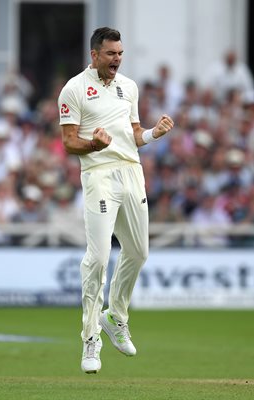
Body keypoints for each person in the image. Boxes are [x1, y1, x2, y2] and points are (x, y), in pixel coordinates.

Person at [58, 27, 174, 374]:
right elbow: (68, 141)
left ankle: (115, 317)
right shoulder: (74, 89)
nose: (117, 59)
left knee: (139, 251)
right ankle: (90, 338)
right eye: (111, 54)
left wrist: (154, 134)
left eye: (120, 53)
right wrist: (94, 144)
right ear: (94, 55)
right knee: (98, 258)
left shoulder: (129, 87)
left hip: (131, 172)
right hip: (99, 175)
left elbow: (134, 135)